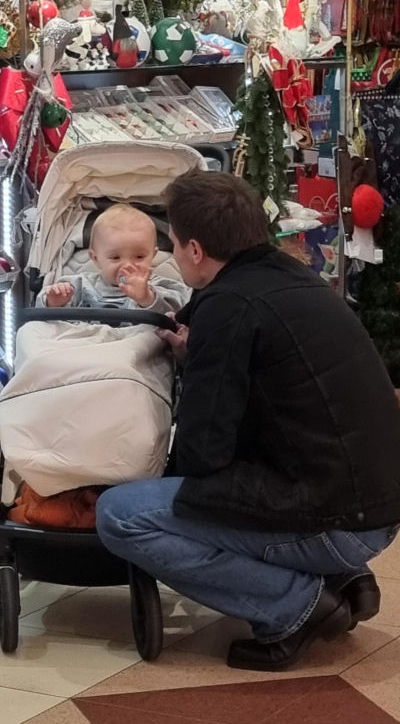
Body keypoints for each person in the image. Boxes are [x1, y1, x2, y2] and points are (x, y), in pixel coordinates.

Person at [96, 171, 400, 672]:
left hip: (338, 522)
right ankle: (343, 577)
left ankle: (294, 607)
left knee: (121, 514)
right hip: (376, 505)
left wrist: (190, 372)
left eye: (172, 244)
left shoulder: (228, 306)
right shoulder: (289, 275)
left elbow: (202, 454)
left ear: (195, 250)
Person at [39, 203, 189, 313]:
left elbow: (181, 311)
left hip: (137, 344)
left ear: (153, 255)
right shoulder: (79, 286)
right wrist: (53, 302)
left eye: (139, 257)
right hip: (87, 342)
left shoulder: (160, 287)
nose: (128, 265)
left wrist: (147, 298)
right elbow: (42, 309)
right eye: (115, 257)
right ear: (95, 258)